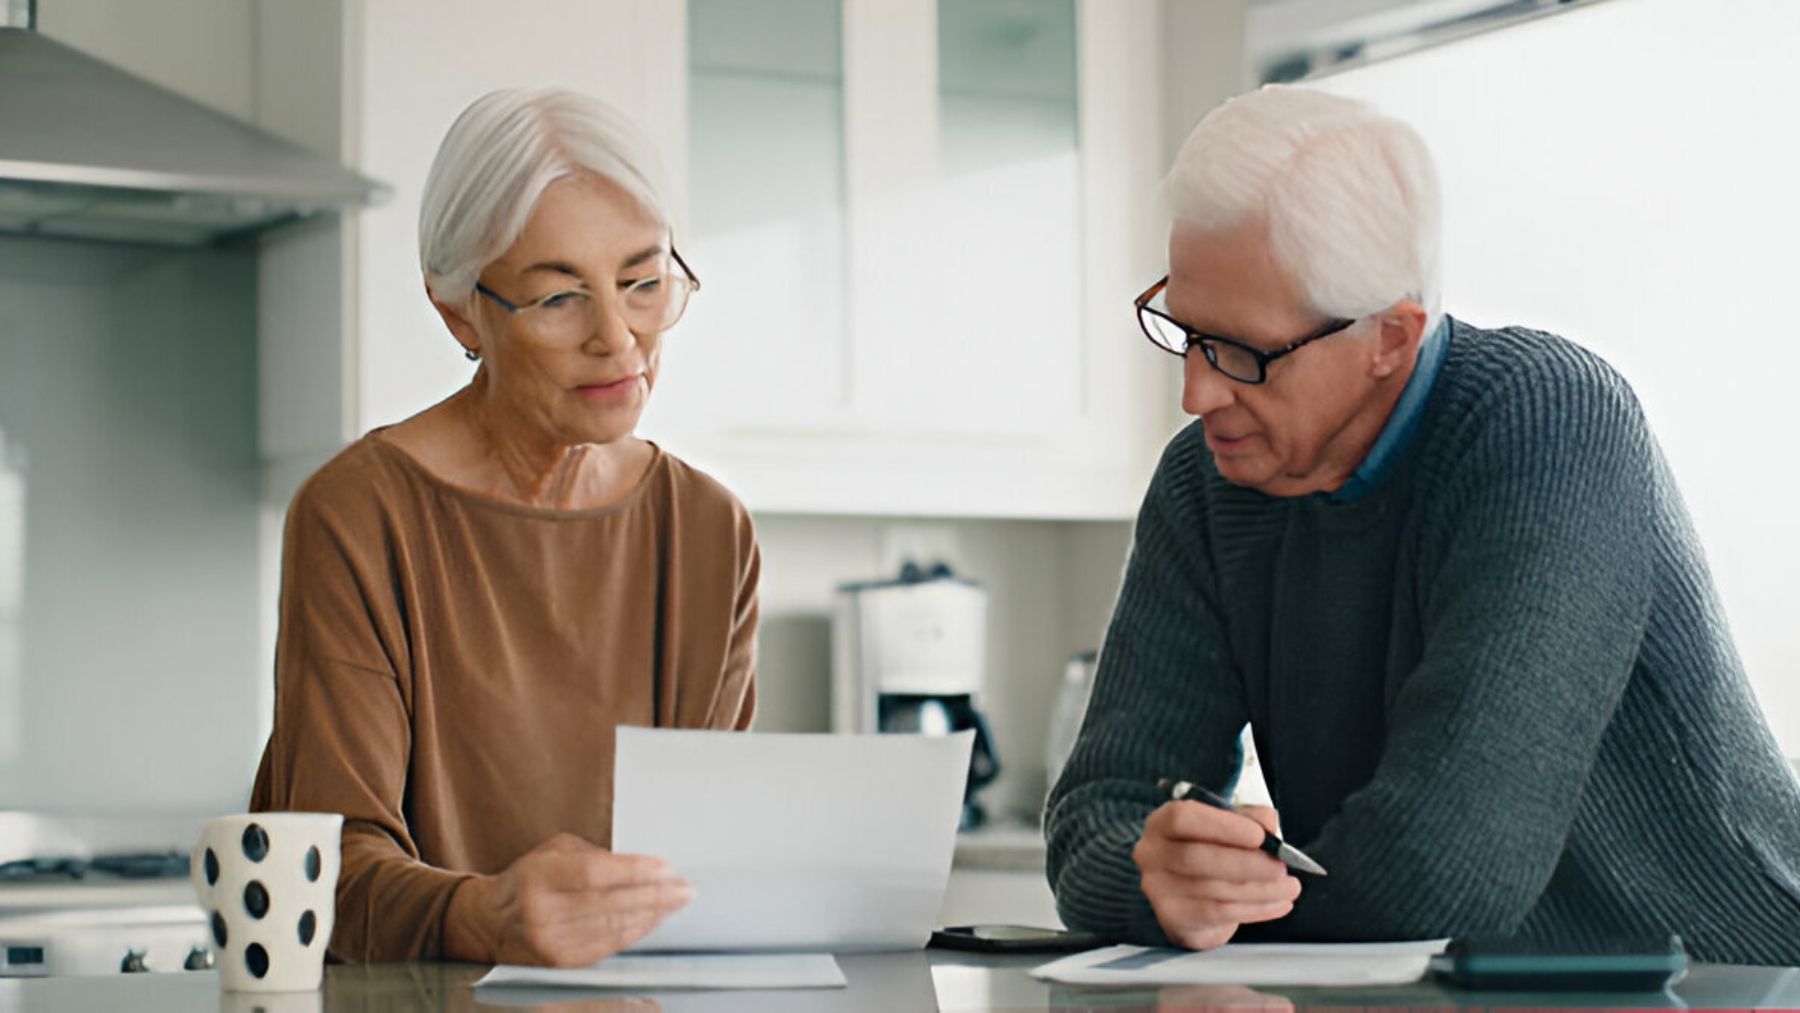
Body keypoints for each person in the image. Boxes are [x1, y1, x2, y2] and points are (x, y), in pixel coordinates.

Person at [1044, 84, 1800, 965]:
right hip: (1431, 983)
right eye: (1186, 332)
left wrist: (1223, 912)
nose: (1198, 392)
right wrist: (1156, 876)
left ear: (1391, 339)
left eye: (1244, 353)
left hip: (1730, 979)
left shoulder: (1551, 421)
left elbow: (1444, 869)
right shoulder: (1208, 481)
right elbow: (1098, 812)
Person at [251, 88, 759, 966]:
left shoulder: (709, 528)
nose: (620, 339)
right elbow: (324, 872)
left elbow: (706, 863)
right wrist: (483, 914)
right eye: (561, 298)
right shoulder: (359, 515)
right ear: (458, 310)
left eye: (643, 282)